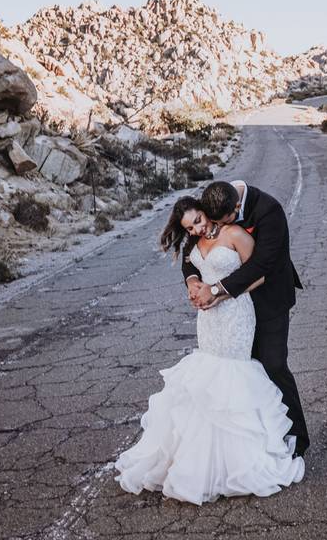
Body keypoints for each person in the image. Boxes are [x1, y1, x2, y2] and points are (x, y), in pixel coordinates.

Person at [113, 196, 304, 505]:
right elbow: (191, 265)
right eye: (190, 227)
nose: (197, 229)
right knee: (208, 377)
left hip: (236, 312)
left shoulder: (235, 234)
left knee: (233, 374)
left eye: (199, 221)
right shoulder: (193, 242)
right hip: (208, 318)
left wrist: (219, 294)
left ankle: (242, 459)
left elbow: (258, 275)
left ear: (207, 211)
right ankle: (202, 461)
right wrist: (193, 284)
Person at [183, 180, 310, 458]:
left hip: (268, 298)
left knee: (274, 364)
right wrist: (192, 280)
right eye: (211, 221)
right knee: (242, 372)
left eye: (224, 221)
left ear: (237, 207)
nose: (215, 228)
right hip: (232, 312)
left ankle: (298, 437)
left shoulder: (269, 211)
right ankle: (254, 439)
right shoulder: (213, 201)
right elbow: (191, 245)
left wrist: (215, 290)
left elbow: (260, 265)